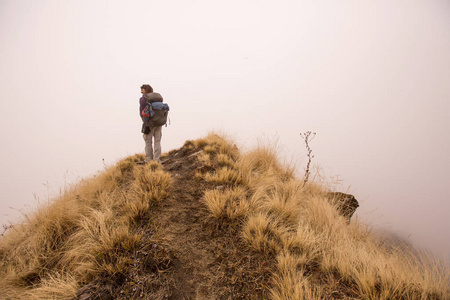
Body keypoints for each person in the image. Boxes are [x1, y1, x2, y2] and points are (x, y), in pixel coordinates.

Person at [139, 84, 163, 163]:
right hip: (158, 122)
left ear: (145, 90)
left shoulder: (143, 99)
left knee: (148, 141)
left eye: (142, 89)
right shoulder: (157, 98)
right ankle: (157, 159)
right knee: (157, 141)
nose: (141, 91)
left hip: (148, 123)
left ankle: (149, 159)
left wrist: (144, 120)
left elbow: (141, 111)